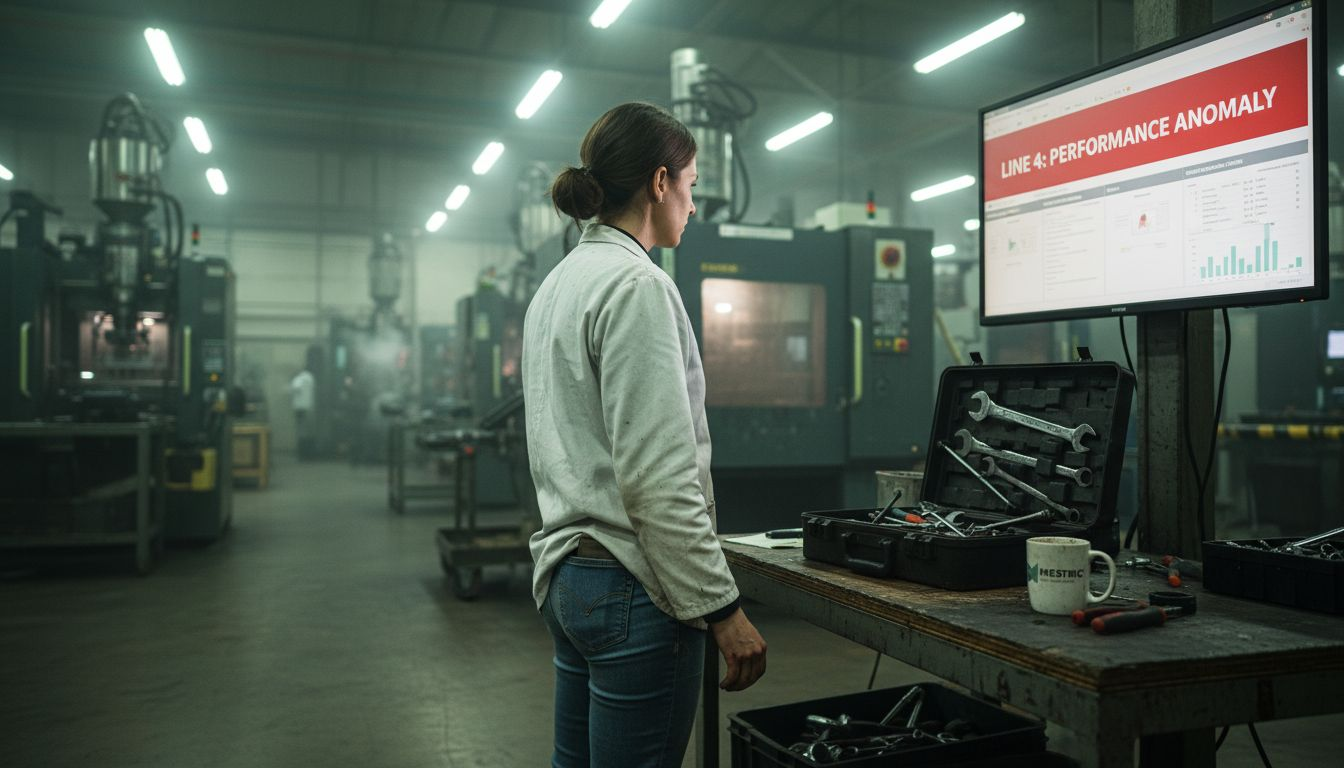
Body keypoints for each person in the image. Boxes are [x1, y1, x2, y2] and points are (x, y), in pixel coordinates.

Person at [522, 102, 767, 768]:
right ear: (660, 183)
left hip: (568, 575)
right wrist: (721, 609)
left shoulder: (558, 284)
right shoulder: (638, 286)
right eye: (689, 185)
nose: (693, 206)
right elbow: (657, 477)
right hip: (634, 589)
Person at [288, 366, 315, 459]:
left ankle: (302, 453)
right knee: (307, 429)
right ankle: (308, 453)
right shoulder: (311, 378)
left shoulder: (298, 379)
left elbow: (295, 389)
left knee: (300, 429)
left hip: (299, 407)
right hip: (308, 406)